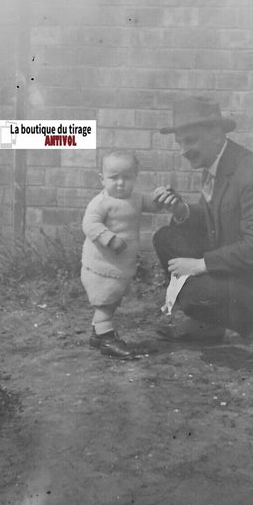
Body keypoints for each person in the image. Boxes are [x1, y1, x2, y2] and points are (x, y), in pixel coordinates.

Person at [153, 96, 253, 364]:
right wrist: (182, 210)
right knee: (166, 239)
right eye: (180, 143)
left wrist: (199, 265)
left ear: (216, 135)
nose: (183, 151)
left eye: (190, 141)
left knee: (192, 292)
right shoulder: (217, 163)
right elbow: (219, 217)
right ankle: (208, 327)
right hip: (246, 269)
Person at [80, 149, 163, 360]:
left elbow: (151, 205)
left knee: (113, 299)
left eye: (127, 178)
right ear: (102, 179)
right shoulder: (101, 203)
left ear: (135, 177)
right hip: (102, 266)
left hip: (120, 265)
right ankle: (107, 338)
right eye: (113, 178)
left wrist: (161, 198)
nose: (120, 183)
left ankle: (97, 335)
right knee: (105, 302)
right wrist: (109, 238)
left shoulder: (135, 198)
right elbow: (90, 224)